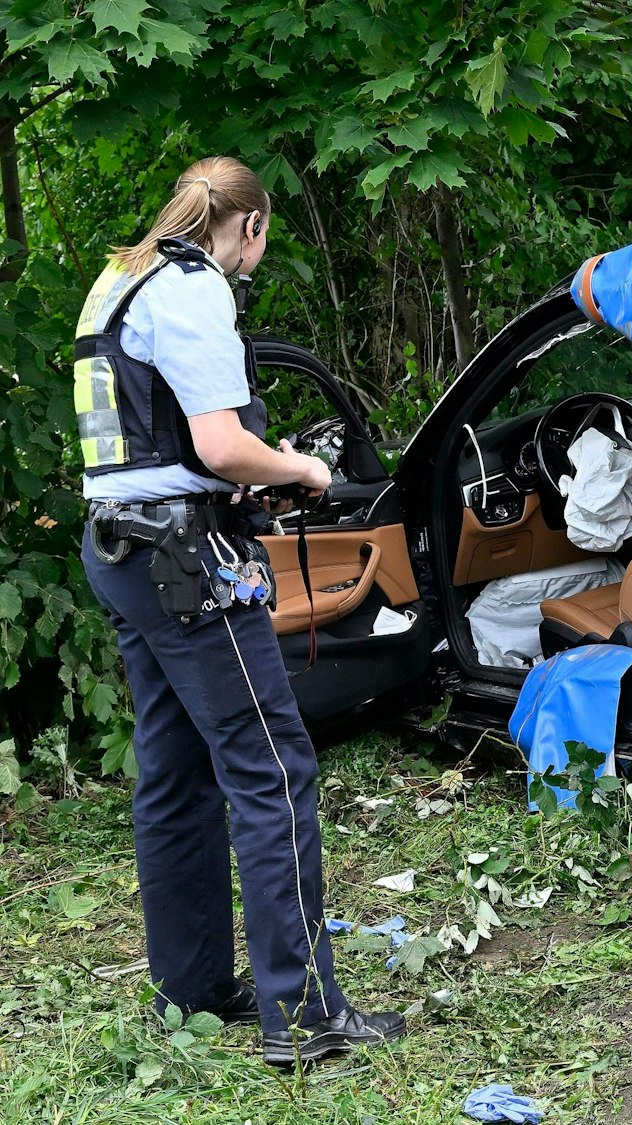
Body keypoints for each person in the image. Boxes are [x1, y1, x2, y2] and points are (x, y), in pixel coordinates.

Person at [74, 156, 407, 1066]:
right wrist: (300, 468)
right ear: (249, 226)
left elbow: (154, 440)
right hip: (188, 559)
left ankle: (192, 990)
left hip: (120, 547)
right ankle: (302, 1015)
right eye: (262, 243)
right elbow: (222, 446)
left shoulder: (120, 279)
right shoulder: (193, 289)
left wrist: (251, 472)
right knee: (272, 766)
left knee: (176, 770)